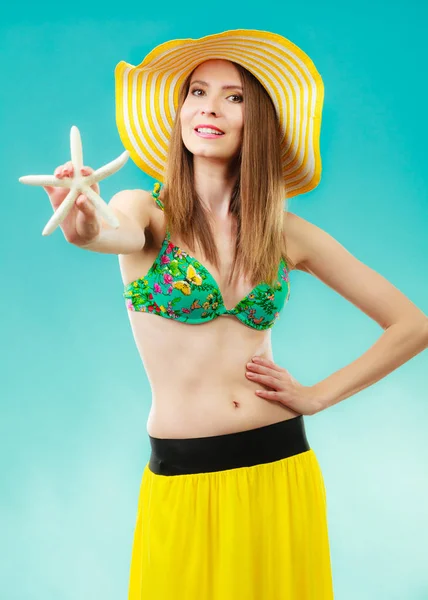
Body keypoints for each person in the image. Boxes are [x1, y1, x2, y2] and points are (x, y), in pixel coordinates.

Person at [43, 29, 428, 600]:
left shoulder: (287, 233)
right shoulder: (143, 211)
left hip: (279, 467)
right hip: (183, 473)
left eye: (234, 96)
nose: (209, 107)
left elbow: (413, 325)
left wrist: (318, 396)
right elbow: (100, 233)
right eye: (197, 91)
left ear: (260, 121)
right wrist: (79, 215)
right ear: (179, 114)